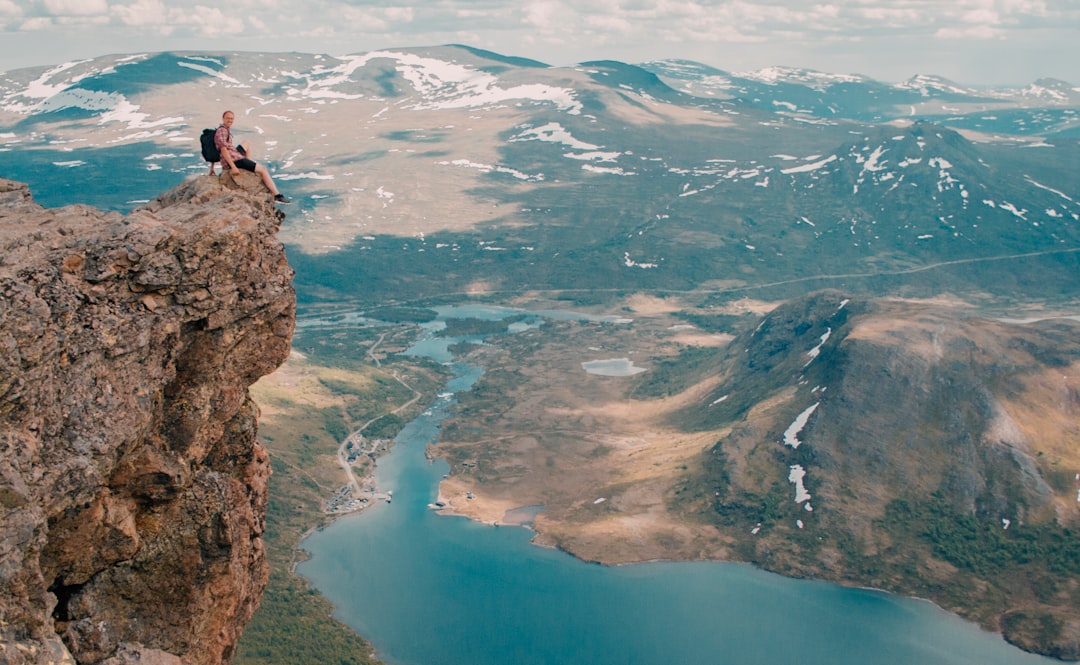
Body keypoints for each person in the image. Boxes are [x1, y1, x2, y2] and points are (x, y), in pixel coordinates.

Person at [214, 110, 291, 204]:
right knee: (263, 169)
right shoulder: (222, 131)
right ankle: (277, 196)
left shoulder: (224, 129)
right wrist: (233, 167)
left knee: (246, 143)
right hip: (234, 159)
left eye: (231, 118)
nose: (230, 120)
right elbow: (223, 149)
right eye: (228, 118)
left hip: (234, 154)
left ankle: (249, 164)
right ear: (223, 119)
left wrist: (211, 168)